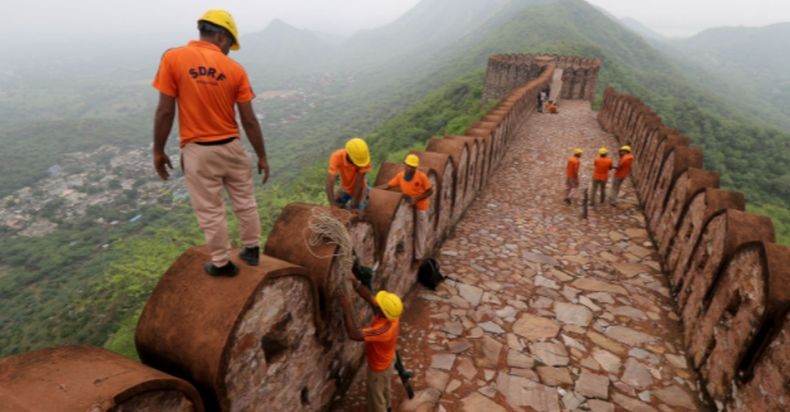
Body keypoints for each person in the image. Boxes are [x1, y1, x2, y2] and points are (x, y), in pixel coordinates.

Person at [152, 9, 269, 277]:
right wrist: (262, 155)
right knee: (245, 200)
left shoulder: (174, 58)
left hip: (199, 151)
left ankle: (221, 262)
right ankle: (251, 249)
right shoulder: (235, 70)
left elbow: (165, 111)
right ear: (222, 36)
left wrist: (158, 150)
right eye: (230, 45)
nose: (229, 51)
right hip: (232, 146)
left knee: (210, 208)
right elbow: (249, 120)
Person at [338, 280, 403, 412]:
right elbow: (369, 297)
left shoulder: (383, 329)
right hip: (388, 360)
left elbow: (353, 334)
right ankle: (388, 407)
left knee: (376, 399)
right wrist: (356, 284)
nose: (377, 304)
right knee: (384, 389)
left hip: (379, 369)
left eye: (379, 306)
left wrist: (346, 308)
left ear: (383, 311)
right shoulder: (392, 315)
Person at [385, 154, 434, 259]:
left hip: (421, 207)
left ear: (415, 168)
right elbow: (389, 185)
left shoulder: (421, 177)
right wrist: (375, 191)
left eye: (412, 167)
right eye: (408, 166)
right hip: (409, 208)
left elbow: (430, 191)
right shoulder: (400, 176)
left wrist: (416, 199)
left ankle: (419, 256)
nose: (409, 168)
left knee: (420, 231)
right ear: (404, 165)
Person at [327, 138, 372, 214]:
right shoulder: (337, 156)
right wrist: (332, 203)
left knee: (360, 214)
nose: (357, 164)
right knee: (336, 207)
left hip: (361, 188)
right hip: (345, 186)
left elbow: (359, 185)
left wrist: (355, 206)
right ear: (348, 154)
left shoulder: (364, 160)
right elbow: (330, 180)